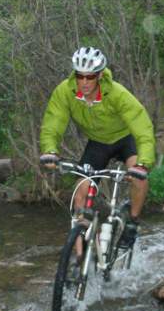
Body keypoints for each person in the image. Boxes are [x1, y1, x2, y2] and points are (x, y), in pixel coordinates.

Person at [39, 46, 155, 260]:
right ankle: (78, 263)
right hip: (98, 144)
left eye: (89, 77)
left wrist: (144, 163)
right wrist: (50, 151)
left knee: (138, 177)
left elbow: (142, 127)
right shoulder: (66, 91)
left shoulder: (117, 94)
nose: (84, 82)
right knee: (80, 195)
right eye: (79, 76)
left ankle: (132, 222)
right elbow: (53, 122)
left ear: (100, 75)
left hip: (126, 138)